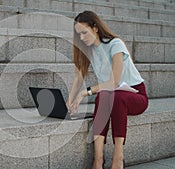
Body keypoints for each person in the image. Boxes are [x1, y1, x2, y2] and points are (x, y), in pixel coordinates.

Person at [66, 11, 148, 169]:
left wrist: (84, 92)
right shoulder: (89, 50)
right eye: (79, 34)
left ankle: (118, 159)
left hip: (136, 95)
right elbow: (78, 77)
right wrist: (70, 100)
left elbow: (114, 82)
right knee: (104, 97)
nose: (82, 38)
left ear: (95, 28)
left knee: (113, 96)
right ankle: (98, 160)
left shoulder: (115, 44)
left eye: (84, 32)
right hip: (110, 95)